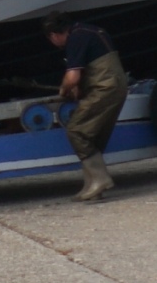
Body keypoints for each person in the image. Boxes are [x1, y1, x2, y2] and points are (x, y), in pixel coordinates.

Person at [43, 12, 125, 202]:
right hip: (116, 87)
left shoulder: (76, 38)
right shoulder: (90, 30)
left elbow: (73, 77)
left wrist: (64, 89)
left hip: (104, 89)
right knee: (93, 136)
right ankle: (92, 185)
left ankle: (100, 179)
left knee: (77, 131)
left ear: (54, 35)